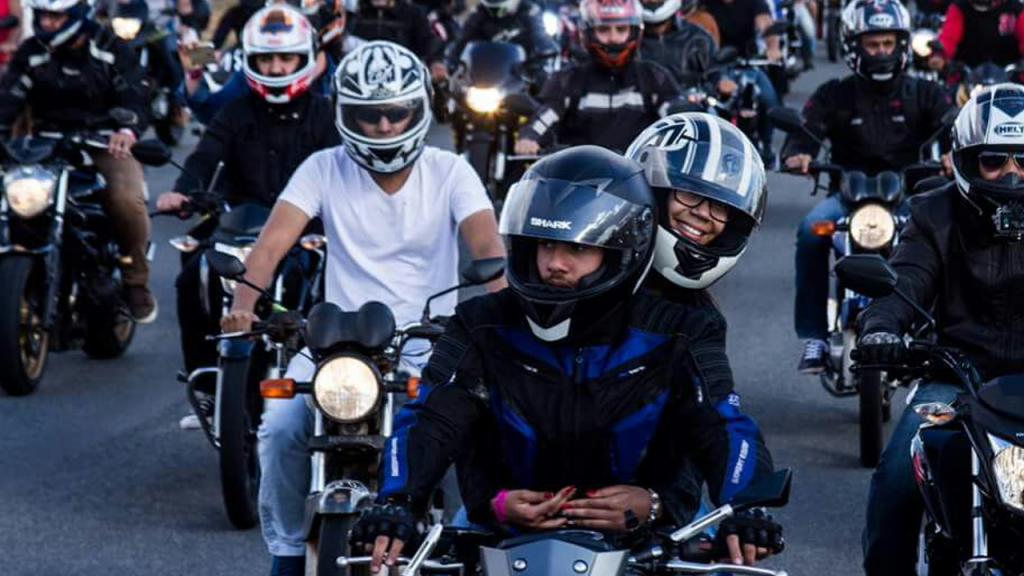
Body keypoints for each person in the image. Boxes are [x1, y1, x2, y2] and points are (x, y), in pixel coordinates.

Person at [349, 145, 783, 573]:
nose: (554, 263)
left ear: (619, 251)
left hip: (648, 540)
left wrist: (737, 505)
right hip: (497, 533)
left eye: (577, 249)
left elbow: (721, 423)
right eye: (544, 244)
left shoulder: (684, 329)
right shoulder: (480, 322)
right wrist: (400, 501)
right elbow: (432, 418)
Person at [217, 40, 505, 576]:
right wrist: (242, 305)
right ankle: (284, 552)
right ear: (344, 114)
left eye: (397, 113)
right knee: (279, 426)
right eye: (368, 116)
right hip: (334, 346)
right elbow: (272, 244)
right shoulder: (322, 168)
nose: (383, 126)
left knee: (459, 434)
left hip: (426, 343)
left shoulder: (451, 171)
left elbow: (488, 248)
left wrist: (507, 314)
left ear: (420, 109)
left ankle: (458, 549)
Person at [857, 83, 1024, 576]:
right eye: (994, 160)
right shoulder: (935, 212)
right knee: (896, 478)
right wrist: (881, 330)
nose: (1011, 174)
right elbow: (903, 279)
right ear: (965, 162)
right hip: (959, 377)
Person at [155, 4, 338, 376]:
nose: (276, 68)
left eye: (287, 58)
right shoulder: (236, 111)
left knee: (337, 284)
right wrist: (182, 191)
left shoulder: (325, 113)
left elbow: (345, 169)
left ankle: (335, 377)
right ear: (251, 60)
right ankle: (204, 382)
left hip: (309, 229)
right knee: (192, 276)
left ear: (304, 58)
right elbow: (204, 156)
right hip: (240, 220)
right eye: (267, 59)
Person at [780, 0, 954, 374]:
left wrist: (954, 155)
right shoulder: (833, 93)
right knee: (810, 231)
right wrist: (799, 153)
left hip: (908, 197)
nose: (880, 52)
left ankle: (939, 329)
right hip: (847, 197)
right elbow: (804, 129)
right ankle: (814, 336)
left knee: (942, 238)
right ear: (854, 45)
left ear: (901, 44)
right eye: (872, 44)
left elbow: (953, 127)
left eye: (887, 43)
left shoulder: (925, 93)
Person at [625, 112, 773, 523]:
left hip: (653, 496)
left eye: (722, 208)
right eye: (691, 195)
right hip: (529, 491)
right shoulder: (580, 270)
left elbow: (722, 415)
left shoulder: (697, 319)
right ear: (651, 189)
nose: (705, 214)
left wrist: (747, 505)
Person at [0, 0, 156, 322]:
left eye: (56, 16)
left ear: (77, 15)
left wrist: (126, 129)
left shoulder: (110, 46)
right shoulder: (32, 50)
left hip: (102, 142)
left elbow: (136, 94)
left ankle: (135, 279)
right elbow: (8, 99)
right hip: (43, 146)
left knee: (125, 199)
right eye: (42, 15)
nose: (47, 22)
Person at [514, 0, 682, 155]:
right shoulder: (567, 80)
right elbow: (545, 116)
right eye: (603, 29)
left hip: (637, 178)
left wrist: (690, 107)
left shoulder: (654, 77)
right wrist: (529, 137)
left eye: (621, 29)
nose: (613, 38)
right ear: (587, 32)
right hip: (579, 179)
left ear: (635, 31)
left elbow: (676, 119)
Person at [444, 0, 558, 72]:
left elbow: (540, 38)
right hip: (487, 71)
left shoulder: (529, 12)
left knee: (542, 93)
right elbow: (463, 39)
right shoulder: (480, 14)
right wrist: (451, 60)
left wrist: (544, 54)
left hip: (522, 72)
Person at [349, 0, 447, 81]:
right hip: (360, 82)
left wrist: (436, 62)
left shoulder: (413, 13)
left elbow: (428, 42)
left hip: (404, 83)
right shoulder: (353, 14)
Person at [638, 0, 717, 87]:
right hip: (640, 99)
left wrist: (722, 81)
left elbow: (717, 71)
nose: (652, 1)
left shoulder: (698, 38)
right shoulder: (629, 40)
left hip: (688, 98)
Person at [928, 0, 1024, 70]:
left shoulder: (1015, 9)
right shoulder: (959, 8)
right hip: (968, 79)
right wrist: (939, 55)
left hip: (1011, 79)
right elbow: (948, 38)